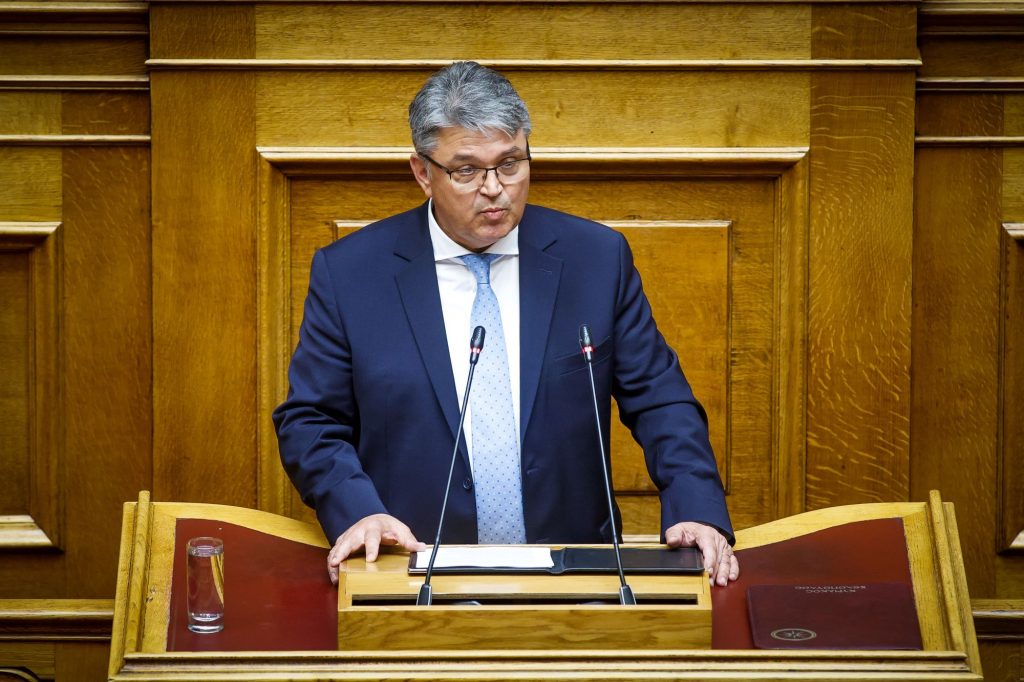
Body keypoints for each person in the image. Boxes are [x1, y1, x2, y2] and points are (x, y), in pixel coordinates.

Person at [273, 61, 739, 587]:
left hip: (575, 576)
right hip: (410, 569)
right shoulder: (351, 274)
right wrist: (358, 512)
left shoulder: (595, 258)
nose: (494, 188)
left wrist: (696, 507)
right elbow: (310, 420)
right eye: (467, 171)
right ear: (423, 173)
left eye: (510, 164)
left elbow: (660, 400)